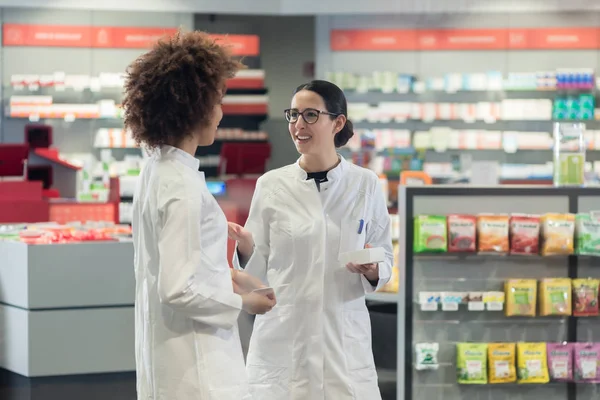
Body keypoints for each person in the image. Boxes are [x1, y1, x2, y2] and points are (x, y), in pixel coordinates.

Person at [124, 30, 276, 400]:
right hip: (197, 369)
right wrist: (244, 303)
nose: (221, 112)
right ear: (193, 107)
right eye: (218, 100)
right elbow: (179, 288)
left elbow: (172, 266)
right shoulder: (182, 187)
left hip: (169, 356)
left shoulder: (157, 170)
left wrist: (226, 276)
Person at [228, 79, 394, 399]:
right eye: (293, 115)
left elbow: (384, 253)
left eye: (310, 115)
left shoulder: (366, 185)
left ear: (338, 122)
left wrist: (374, 268)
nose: (298, 125)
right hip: (283, 339)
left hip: (341, 340)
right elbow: (258, 273)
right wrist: (247, 248)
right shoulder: (271, 185)